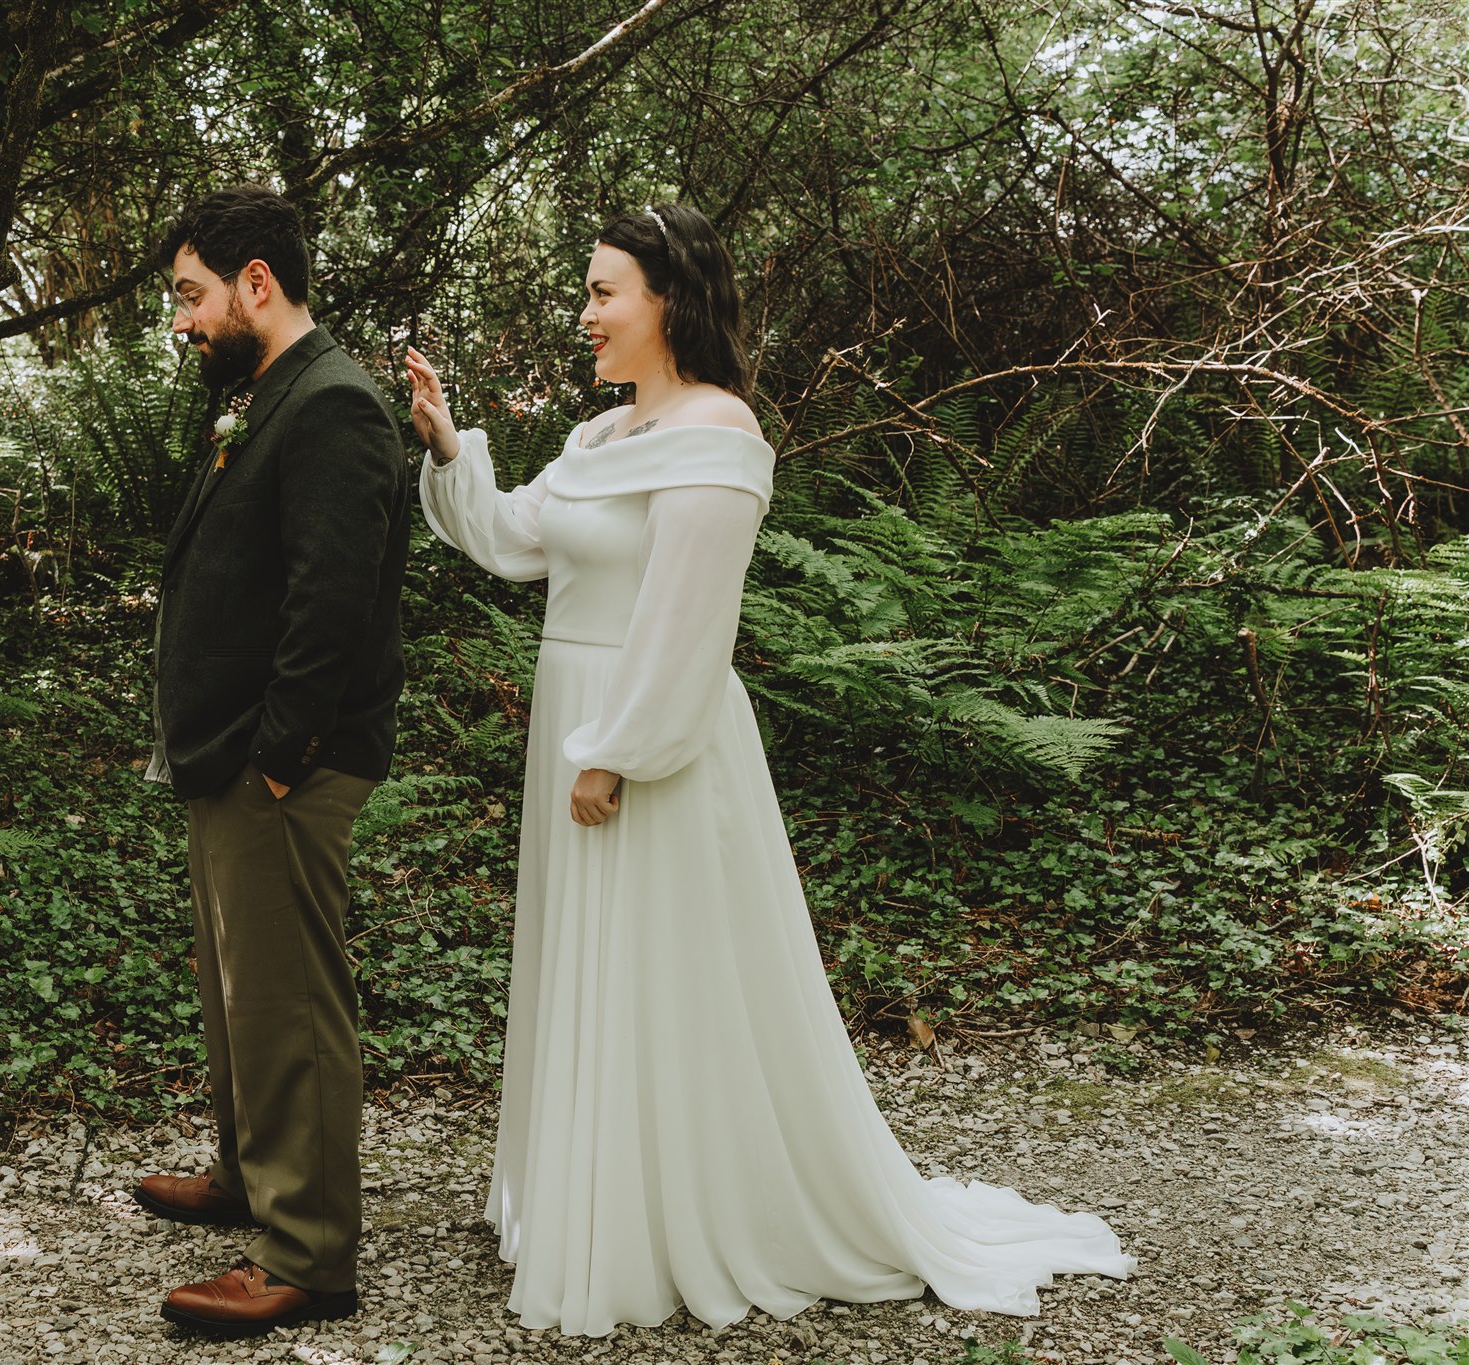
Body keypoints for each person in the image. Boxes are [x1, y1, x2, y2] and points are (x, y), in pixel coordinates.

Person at [406, 203, 1134, 1336]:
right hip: (577, 716)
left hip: (654, 738)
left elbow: (688, 616)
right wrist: (450, 448)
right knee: (591, 958)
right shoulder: (600, 441)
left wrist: (616, 754)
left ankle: (683, 1217)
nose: (585, 312)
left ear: (668, 299)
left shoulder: (718, 430)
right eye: (589, 291)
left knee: (664, 965)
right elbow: (512, 543)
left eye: (605, 291)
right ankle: (600, 1202)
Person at [133, 185, 410, 1337]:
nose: (184, 321)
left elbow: (330, 604)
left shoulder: (334, 405)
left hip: (280, 760)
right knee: (236, 994)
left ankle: (306, 1257)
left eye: (193, 296)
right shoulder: (260, 394)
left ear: (258, 281)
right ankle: (249, 1177)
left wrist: (280, 757)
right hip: (227, 753)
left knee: (288, 1004)